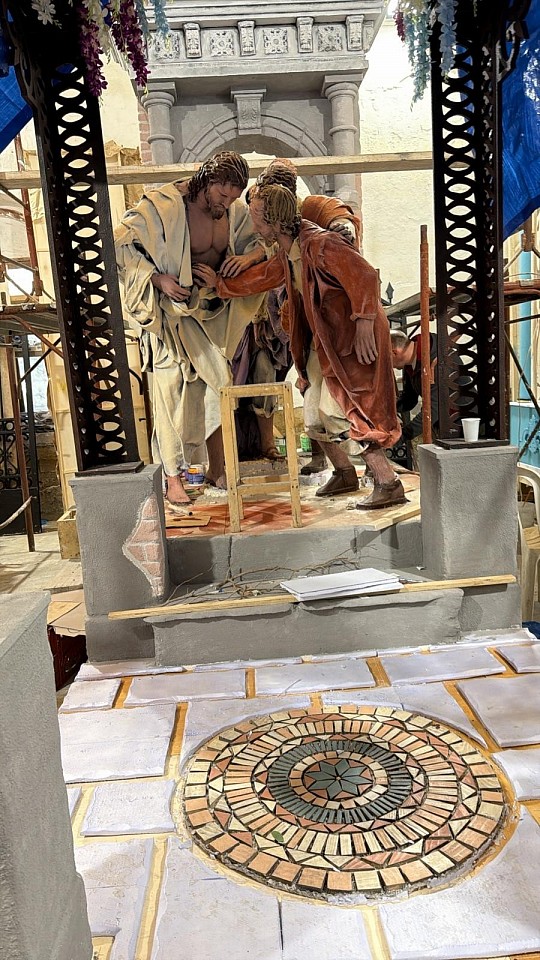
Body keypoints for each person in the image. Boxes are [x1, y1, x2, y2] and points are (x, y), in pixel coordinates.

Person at [193, 183, 405, 509]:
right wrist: (220, 284)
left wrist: (364, 321)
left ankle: (388, 482)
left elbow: (364, 274)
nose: (254, 228)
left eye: (258, 221)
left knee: (342, 413)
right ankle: (345, 472)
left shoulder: (321, 244)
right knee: (313, 416)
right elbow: (264, 276)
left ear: (275, 222)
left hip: (351, 339)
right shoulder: (290, 251)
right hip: (325, 342)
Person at [115, 152, 265, 505]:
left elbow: (262, 244)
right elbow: (121, 245)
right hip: (170, 317)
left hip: (210, 315)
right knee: (170, 394)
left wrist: (247, 258)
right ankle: (173, 478)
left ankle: (217, 468)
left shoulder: (234, 213)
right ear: (206, 181)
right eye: (222, 194)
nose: (226, 203)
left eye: (233, 196)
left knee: (217, 389)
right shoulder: (163, 206)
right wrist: (158, 279)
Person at [242, 159, 362, 474]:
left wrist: (344, 226)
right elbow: (269, 267)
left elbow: (341, 223)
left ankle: (379, 477)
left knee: (336, 407)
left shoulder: (313, 226)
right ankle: (341, 469)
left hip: (330, 325)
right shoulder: (278, 229)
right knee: (310, 401)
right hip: (296, 321)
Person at [390, 329, 439, 442]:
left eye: (386, 359)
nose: (390, 366)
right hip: (444, 427)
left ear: (394, 352)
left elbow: (433, 409)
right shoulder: (409, 364)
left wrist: (400, 438)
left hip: (464, 425)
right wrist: (386, 410)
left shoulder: (435, 360)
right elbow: (409, 400)